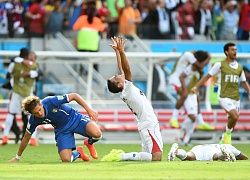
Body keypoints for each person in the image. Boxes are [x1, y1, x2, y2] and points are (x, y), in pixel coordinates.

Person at [102, 36, 163, 162]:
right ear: (119, 84)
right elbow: (127, 70)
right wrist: (122, 51)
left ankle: (124, 157)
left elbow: (122, 69)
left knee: (148, 158)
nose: (117, 75)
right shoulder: (127, 90)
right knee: (156, 157)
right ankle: (122, 156)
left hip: (144, 124)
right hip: (149, 123)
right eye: (115, 77)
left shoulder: (125, 89)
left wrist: (117, 52)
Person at [8, 93, 102, 162]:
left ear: (41, 104)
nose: (40, 114)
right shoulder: (33, 120)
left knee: (97, 134)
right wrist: (17, 157)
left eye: (40, 110)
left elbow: (74, 96)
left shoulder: (50, 101)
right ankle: (79, 153)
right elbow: (26, 137)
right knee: (66, 160)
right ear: (31, 114)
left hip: (74, 118)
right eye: (36, 113)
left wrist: (89, 110)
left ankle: (89, 143)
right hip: (62, 130)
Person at [192, 42, 250, 144]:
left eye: (235, 50)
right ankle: (227, 135)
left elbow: (244, 82)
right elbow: (207, 76)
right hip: (223, 96)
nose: (235, 51)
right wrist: (196, 86)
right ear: (226, 52)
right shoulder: (220, 65)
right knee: (235, 116)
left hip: (235, 97)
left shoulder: (239, 67)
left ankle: (225, 137)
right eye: (232, 50)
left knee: (233, 119)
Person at [1, 48, 39, 145]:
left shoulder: (14, 64)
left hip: (16, 92)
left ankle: (5, 137)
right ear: (28, 56)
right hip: (28, 94)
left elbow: (9, 73)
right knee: (32, 115)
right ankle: (33, 139)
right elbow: (37, 73)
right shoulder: (33, 66)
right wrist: (28, 73)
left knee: (11, 114)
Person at [169, 50, 211, 129]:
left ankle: (200, 120)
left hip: (181, 80)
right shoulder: (189, 55)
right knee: (184, 95)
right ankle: (174, 118)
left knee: (196, 97)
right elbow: (200, 66)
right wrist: (209, 58)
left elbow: (200, 70)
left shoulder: (191, 64)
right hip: (175, 79)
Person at [178, 63, 214, 146]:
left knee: (194, 118)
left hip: (194, 95)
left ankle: (186, 138)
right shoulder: (189, 70)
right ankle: (182, 132)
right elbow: (181, 78)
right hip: (187, 95)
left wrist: (197, 95)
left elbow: (195, 85)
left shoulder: (197, 74)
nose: (203, 69)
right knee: (192, 117)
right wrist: (184, 90)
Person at [168, 142, 248, 162]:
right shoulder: (229, 146)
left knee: (189, 156)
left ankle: (177, 152)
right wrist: (237, 157)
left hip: (200, 147)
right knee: (216, 156)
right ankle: (223, 153)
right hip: (215, 150)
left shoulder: (218, 144)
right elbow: (244, 157)